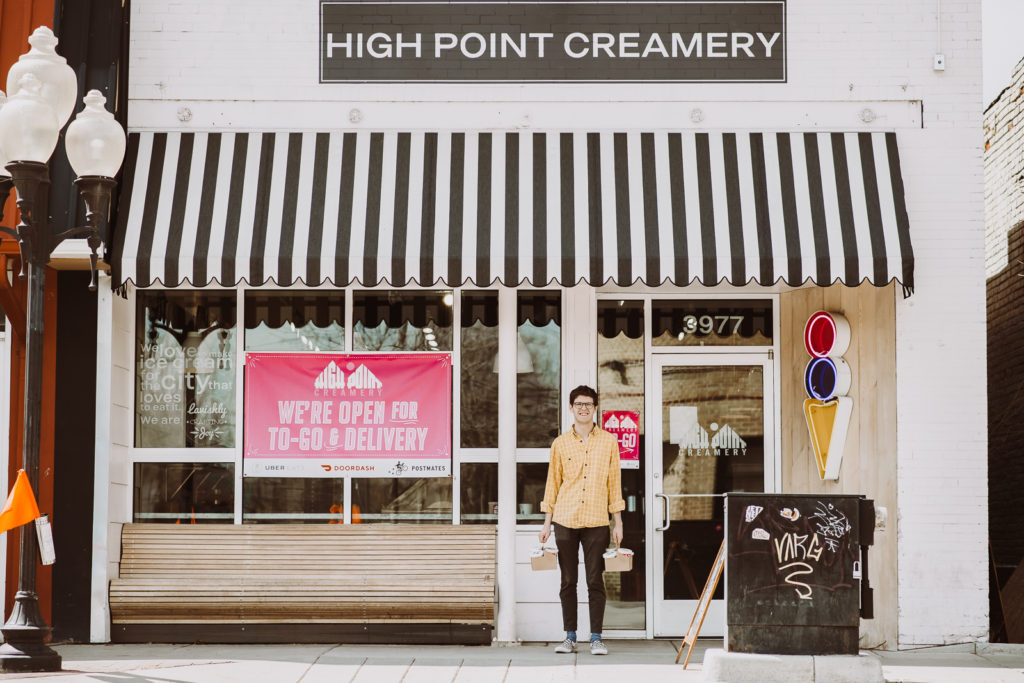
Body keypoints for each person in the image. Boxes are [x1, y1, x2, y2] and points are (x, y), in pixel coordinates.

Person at [538, 385, 624, 656]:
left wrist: (618, 521)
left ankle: (596, 637)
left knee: (595, 579)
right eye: (579, 404)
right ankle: (570, 636)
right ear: (571, 408)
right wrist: (546, 523)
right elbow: (553, 484)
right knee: (568, 580)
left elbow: (614, 484)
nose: (584, 408)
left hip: (597, 519)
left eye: (588, 404)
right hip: (564, 518)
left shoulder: (609, 441)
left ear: (595, 408)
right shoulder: (560, 444)